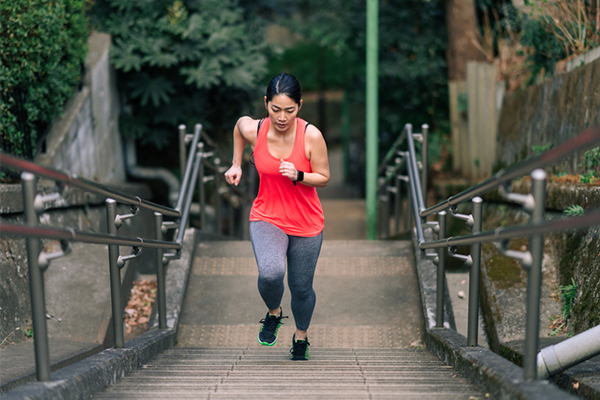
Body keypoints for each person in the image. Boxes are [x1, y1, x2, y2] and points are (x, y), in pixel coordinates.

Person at [224, 73, 330, 361]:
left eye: (290, 110)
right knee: (270, 273)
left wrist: (299, 175)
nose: (282, 117)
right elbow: (238, 126)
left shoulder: (311, 136)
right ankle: (274, 312)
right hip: (266, 215)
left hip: (306, 222)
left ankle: (301, 337)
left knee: (301, 288)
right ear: (266, 103)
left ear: (300, 106)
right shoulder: (255, 130)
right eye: (275, 109)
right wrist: (236, 164)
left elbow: (324, 177)